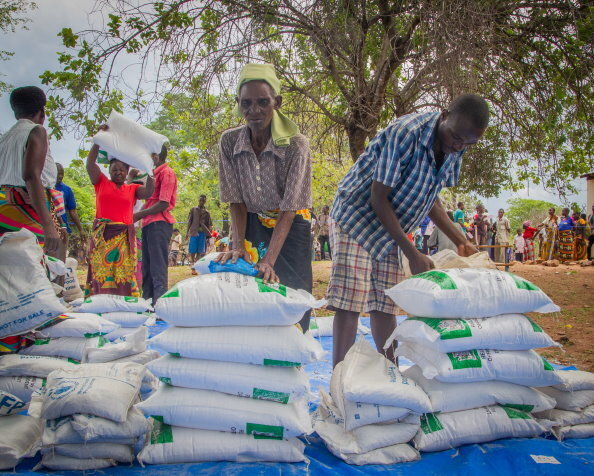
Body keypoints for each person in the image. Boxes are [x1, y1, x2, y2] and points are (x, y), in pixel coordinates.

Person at [327, 93, 488, 366]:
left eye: (468, 143)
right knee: (350, 300)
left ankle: (390, 372)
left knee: (386, 303)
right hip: (357, 216)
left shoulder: (456, 149)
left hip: (391, 228)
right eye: (456, 137)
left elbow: (429, 199)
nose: (459, 145)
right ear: (444, 115)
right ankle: (339, 378)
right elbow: (378, 197)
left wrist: (462, 242)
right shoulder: (406, 134)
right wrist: (412, 252)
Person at [216, 63, 312, 330]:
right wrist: (237, 245)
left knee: (291, 297)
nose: (254, 110)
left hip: (290, 228)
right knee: (251, 293)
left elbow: (290, 208)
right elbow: (236, 200)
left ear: (276, 102)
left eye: (263, 102)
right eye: (246, 103)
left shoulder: (296, 144)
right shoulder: (229, 142)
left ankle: (293, 355)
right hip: (250, 224)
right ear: (238, 103)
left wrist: (269, 259)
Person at [0, 86, 65, 257]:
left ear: (15, 113)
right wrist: (49, 225)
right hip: (29, 210)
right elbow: (31, 176)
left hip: (6, 210)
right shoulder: (36, 130)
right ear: (42, 113)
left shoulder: (4, 139)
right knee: (38, 269)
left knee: (11, 274)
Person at [85, 138, 154, 296]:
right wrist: (97, 141)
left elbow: (149, 192)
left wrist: (151, 171)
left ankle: (123, 299)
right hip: (103, 235)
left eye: (122, 170)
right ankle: (99, 297)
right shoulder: (101, 182)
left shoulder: (132, 188)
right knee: (100, 268)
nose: (118, 172)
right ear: (109, 171)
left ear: (127, 171)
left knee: (123, 270)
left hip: (123, 235)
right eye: (115, 169)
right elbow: (90, 164)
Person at [134, 145, 177, 305]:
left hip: (160, 223)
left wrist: (138, 215)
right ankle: (148, 303)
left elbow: (163, 203)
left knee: (158, 268)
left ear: (155, 157)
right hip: (149, 223)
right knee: (147, 267)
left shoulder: (167, 173)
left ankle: (160, 306)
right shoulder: (152, 175)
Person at [55, 163, 86, 246]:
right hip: (46, 228)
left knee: (61, 256)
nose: (60, 176)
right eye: (58, 173)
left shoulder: (66, 189)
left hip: (63, 228)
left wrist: (81, 229)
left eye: (62, 174)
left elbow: (72, 211)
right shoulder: (44, 187)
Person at [186, 194, 212, 270]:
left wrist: (208, 236)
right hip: (194, 232)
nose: (202, 202)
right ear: (198, 200)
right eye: (200, 200)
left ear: (205, 201)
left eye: (203, 200)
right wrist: (187, 233)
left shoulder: (207, 213)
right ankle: (192, 263)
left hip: (202, 233)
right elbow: (189, 221)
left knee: (200, 250)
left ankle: (195, 266)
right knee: (192, 249)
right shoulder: (193, 209)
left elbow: (209, 225)